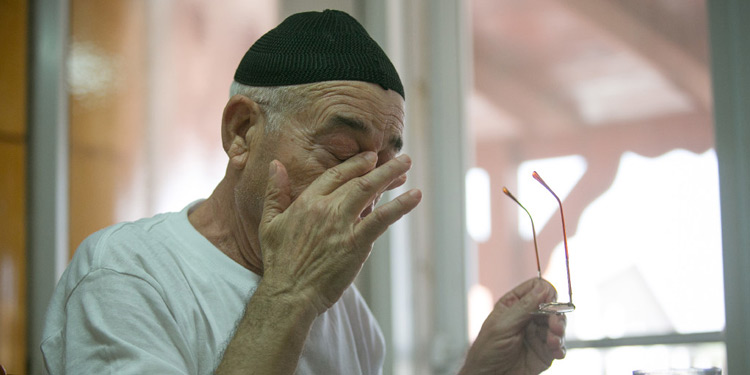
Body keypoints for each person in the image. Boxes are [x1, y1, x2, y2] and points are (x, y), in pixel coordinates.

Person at [41, 9, 566, 375]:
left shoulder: (349, 312)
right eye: (341, 154)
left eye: (384, 166)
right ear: (242, 132)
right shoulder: (128, 275)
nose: (366, 190)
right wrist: (290, 295)